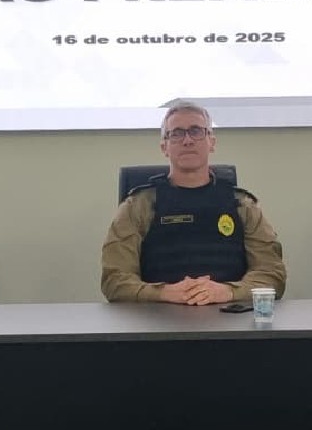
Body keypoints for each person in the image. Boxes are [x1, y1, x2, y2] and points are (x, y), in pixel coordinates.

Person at [100, 101, 286, 305]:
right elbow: (114, 280)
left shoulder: (242, 205)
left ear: (211, 142)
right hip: (156, 322)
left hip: (232, 321)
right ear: (165, 147)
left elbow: (271, 275)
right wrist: (164, 293)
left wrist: (228, 292)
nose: (187, 140)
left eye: (196, 131)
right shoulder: (138, 206)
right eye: (177, 133)